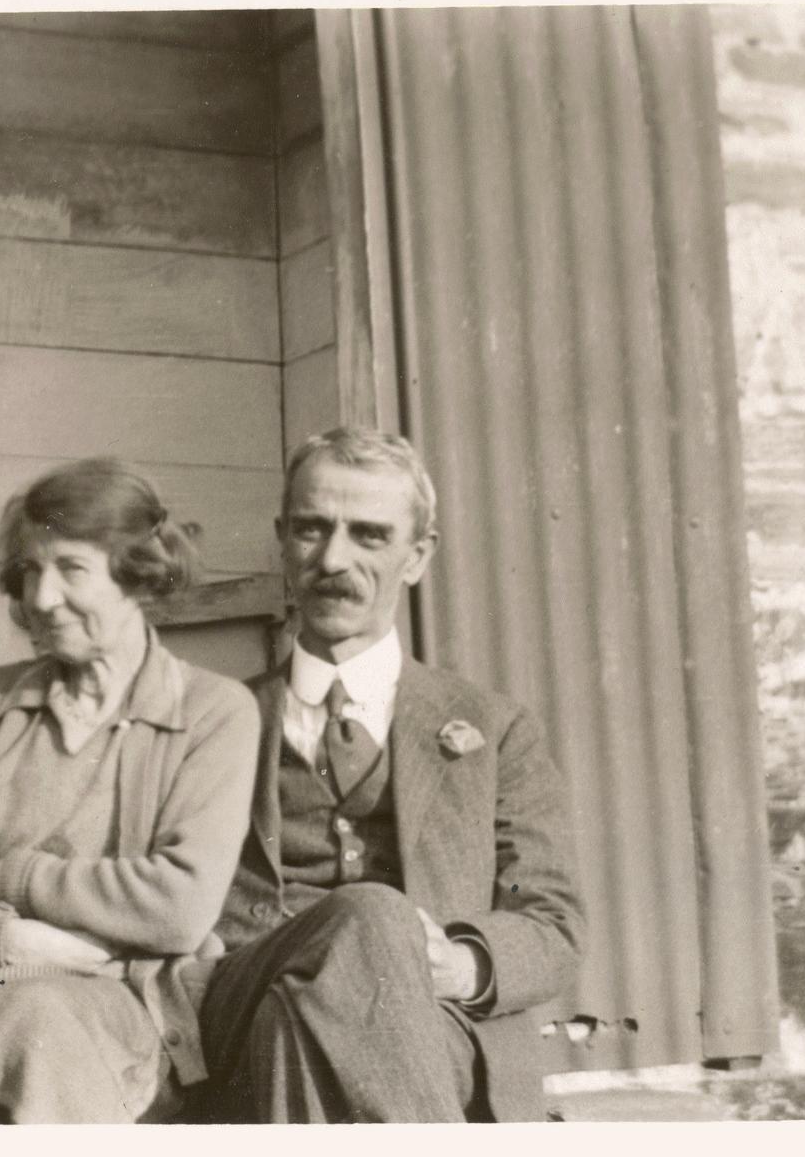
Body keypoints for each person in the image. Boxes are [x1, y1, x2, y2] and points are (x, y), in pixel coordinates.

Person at [194, 426, 583, 1123]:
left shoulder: (494, 727)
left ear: (417, 555)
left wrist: (462, 963)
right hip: (243, 994)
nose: (333, 558)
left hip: (434, 1022)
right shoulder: (215, 720)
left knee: (298, 1017)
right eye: (312, 529)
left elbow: (553, 926)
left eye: (369, 535)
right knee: (372, 914)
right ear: (283, 539)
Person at [0, 459, 260, 1123]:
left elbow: (180, 904)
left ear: (139, 576)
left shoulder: (214, 711)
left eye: (70, 569)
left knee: (37, 1015)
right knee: (4, 1015)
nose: (40, 598)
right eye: (32, 571)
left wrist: (10, 874)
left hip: (118, 1010)